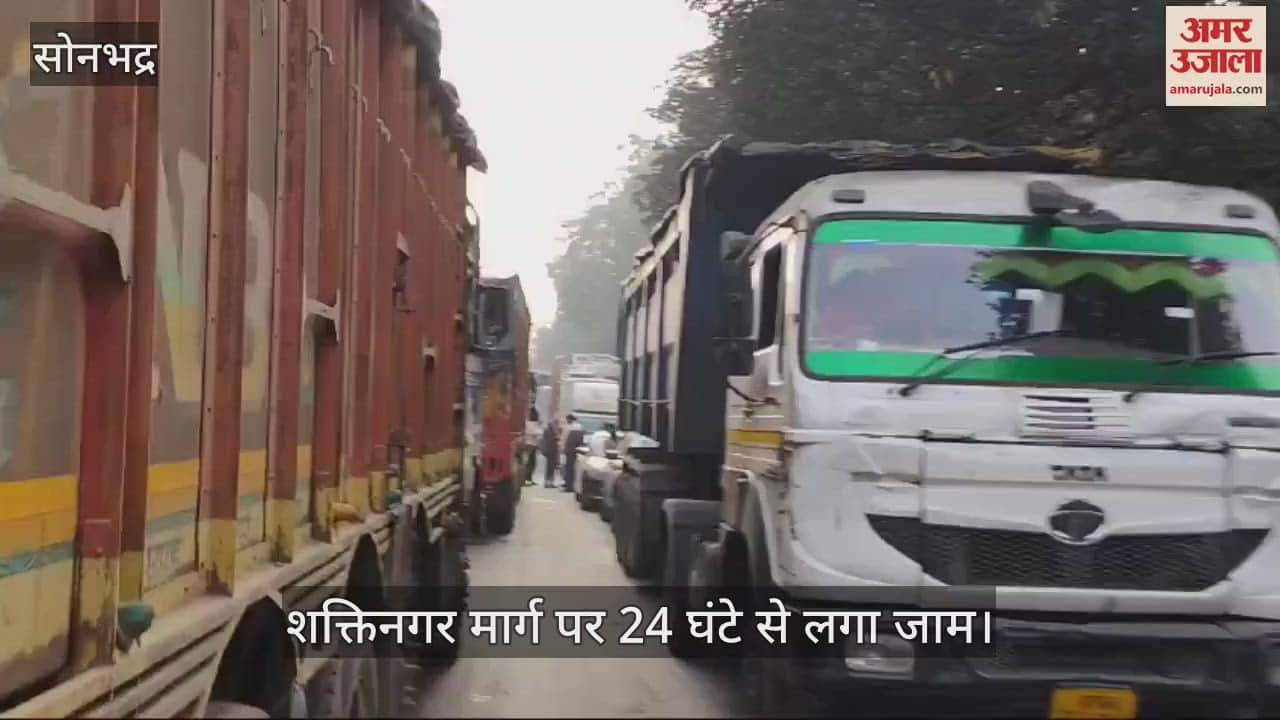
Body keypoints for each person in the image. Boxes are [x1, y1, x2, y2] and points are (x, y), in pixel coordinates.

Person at [560, 414, 585, 493]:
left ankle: (568, 486)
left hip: (569, 450)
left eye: (567, 420)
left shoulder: (567, 427)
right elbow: (581, 439)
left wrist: (562, 448)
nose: (567, 421)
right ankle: (572, 485)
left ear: (570, 419)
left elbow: (564, 438)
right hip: (577, 450)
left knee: (568, 468)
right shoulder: (580, 427)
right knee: (574, 468)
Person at [539, 420, 560, 488]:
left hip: (550, 451)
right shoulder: (550, 431)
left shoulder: (547, 431)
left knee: (550, 467)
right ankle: (549, 482)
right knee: (550, 468)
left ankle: (548, 482)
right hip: (551, 451)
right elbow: (551, 440)